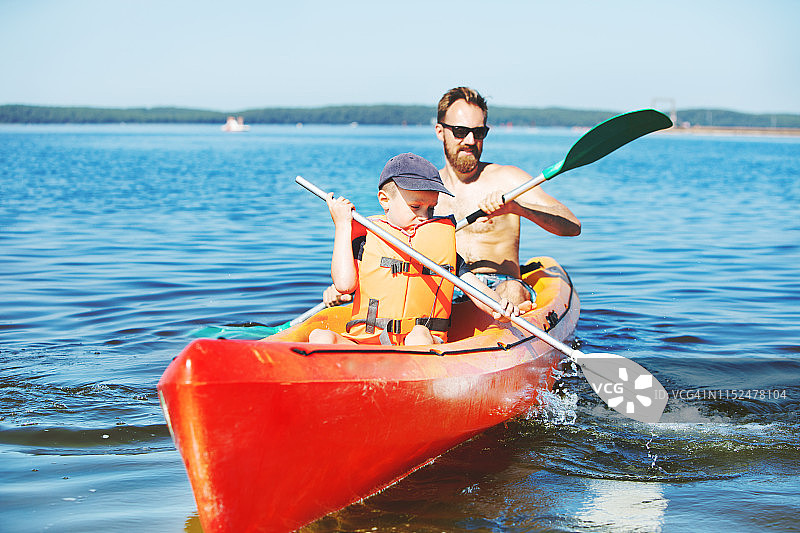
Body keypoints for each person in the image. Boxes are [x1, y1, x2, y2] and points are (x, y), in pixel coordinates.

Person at [309, 153, 519, 346]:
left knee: (418, 334)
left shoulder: (438, 246)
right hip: (369, 341)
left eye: (431, 208)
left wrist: (499, 305)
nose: (424, 216)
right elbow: (344, 285)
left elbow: (474, 288)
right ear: (385, 200)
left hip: (424, 343)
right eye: (416, 207)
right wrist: (343, 225)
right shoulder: (366, 242)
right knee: (320, 336)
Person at [433, 86, 581, 306]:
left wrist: (518, 208)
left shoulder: (508, 180)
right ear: (440, 131)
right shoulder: (426, 189)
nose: (471, 141)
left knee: (511, 289)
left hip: (501, 285)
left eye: (479, 132)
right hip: (449, 286)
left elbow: (572, 226)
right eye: (460, 131)